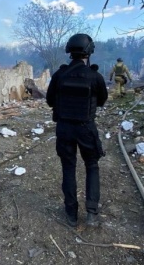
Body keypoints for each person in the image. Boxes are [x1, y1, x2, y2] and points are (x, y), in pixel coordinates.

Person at [46, 33, 108, 228]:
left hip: (64, 128)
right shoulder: (95, 76)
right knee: (92, 166)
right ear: (89, 52)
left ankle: (71, 214)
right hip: (85, 128)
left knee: (68, 167)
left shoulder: (59, 75)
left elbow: (49, 101)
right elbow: (102, 101)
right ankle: (91, 214)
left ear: (69, 51)